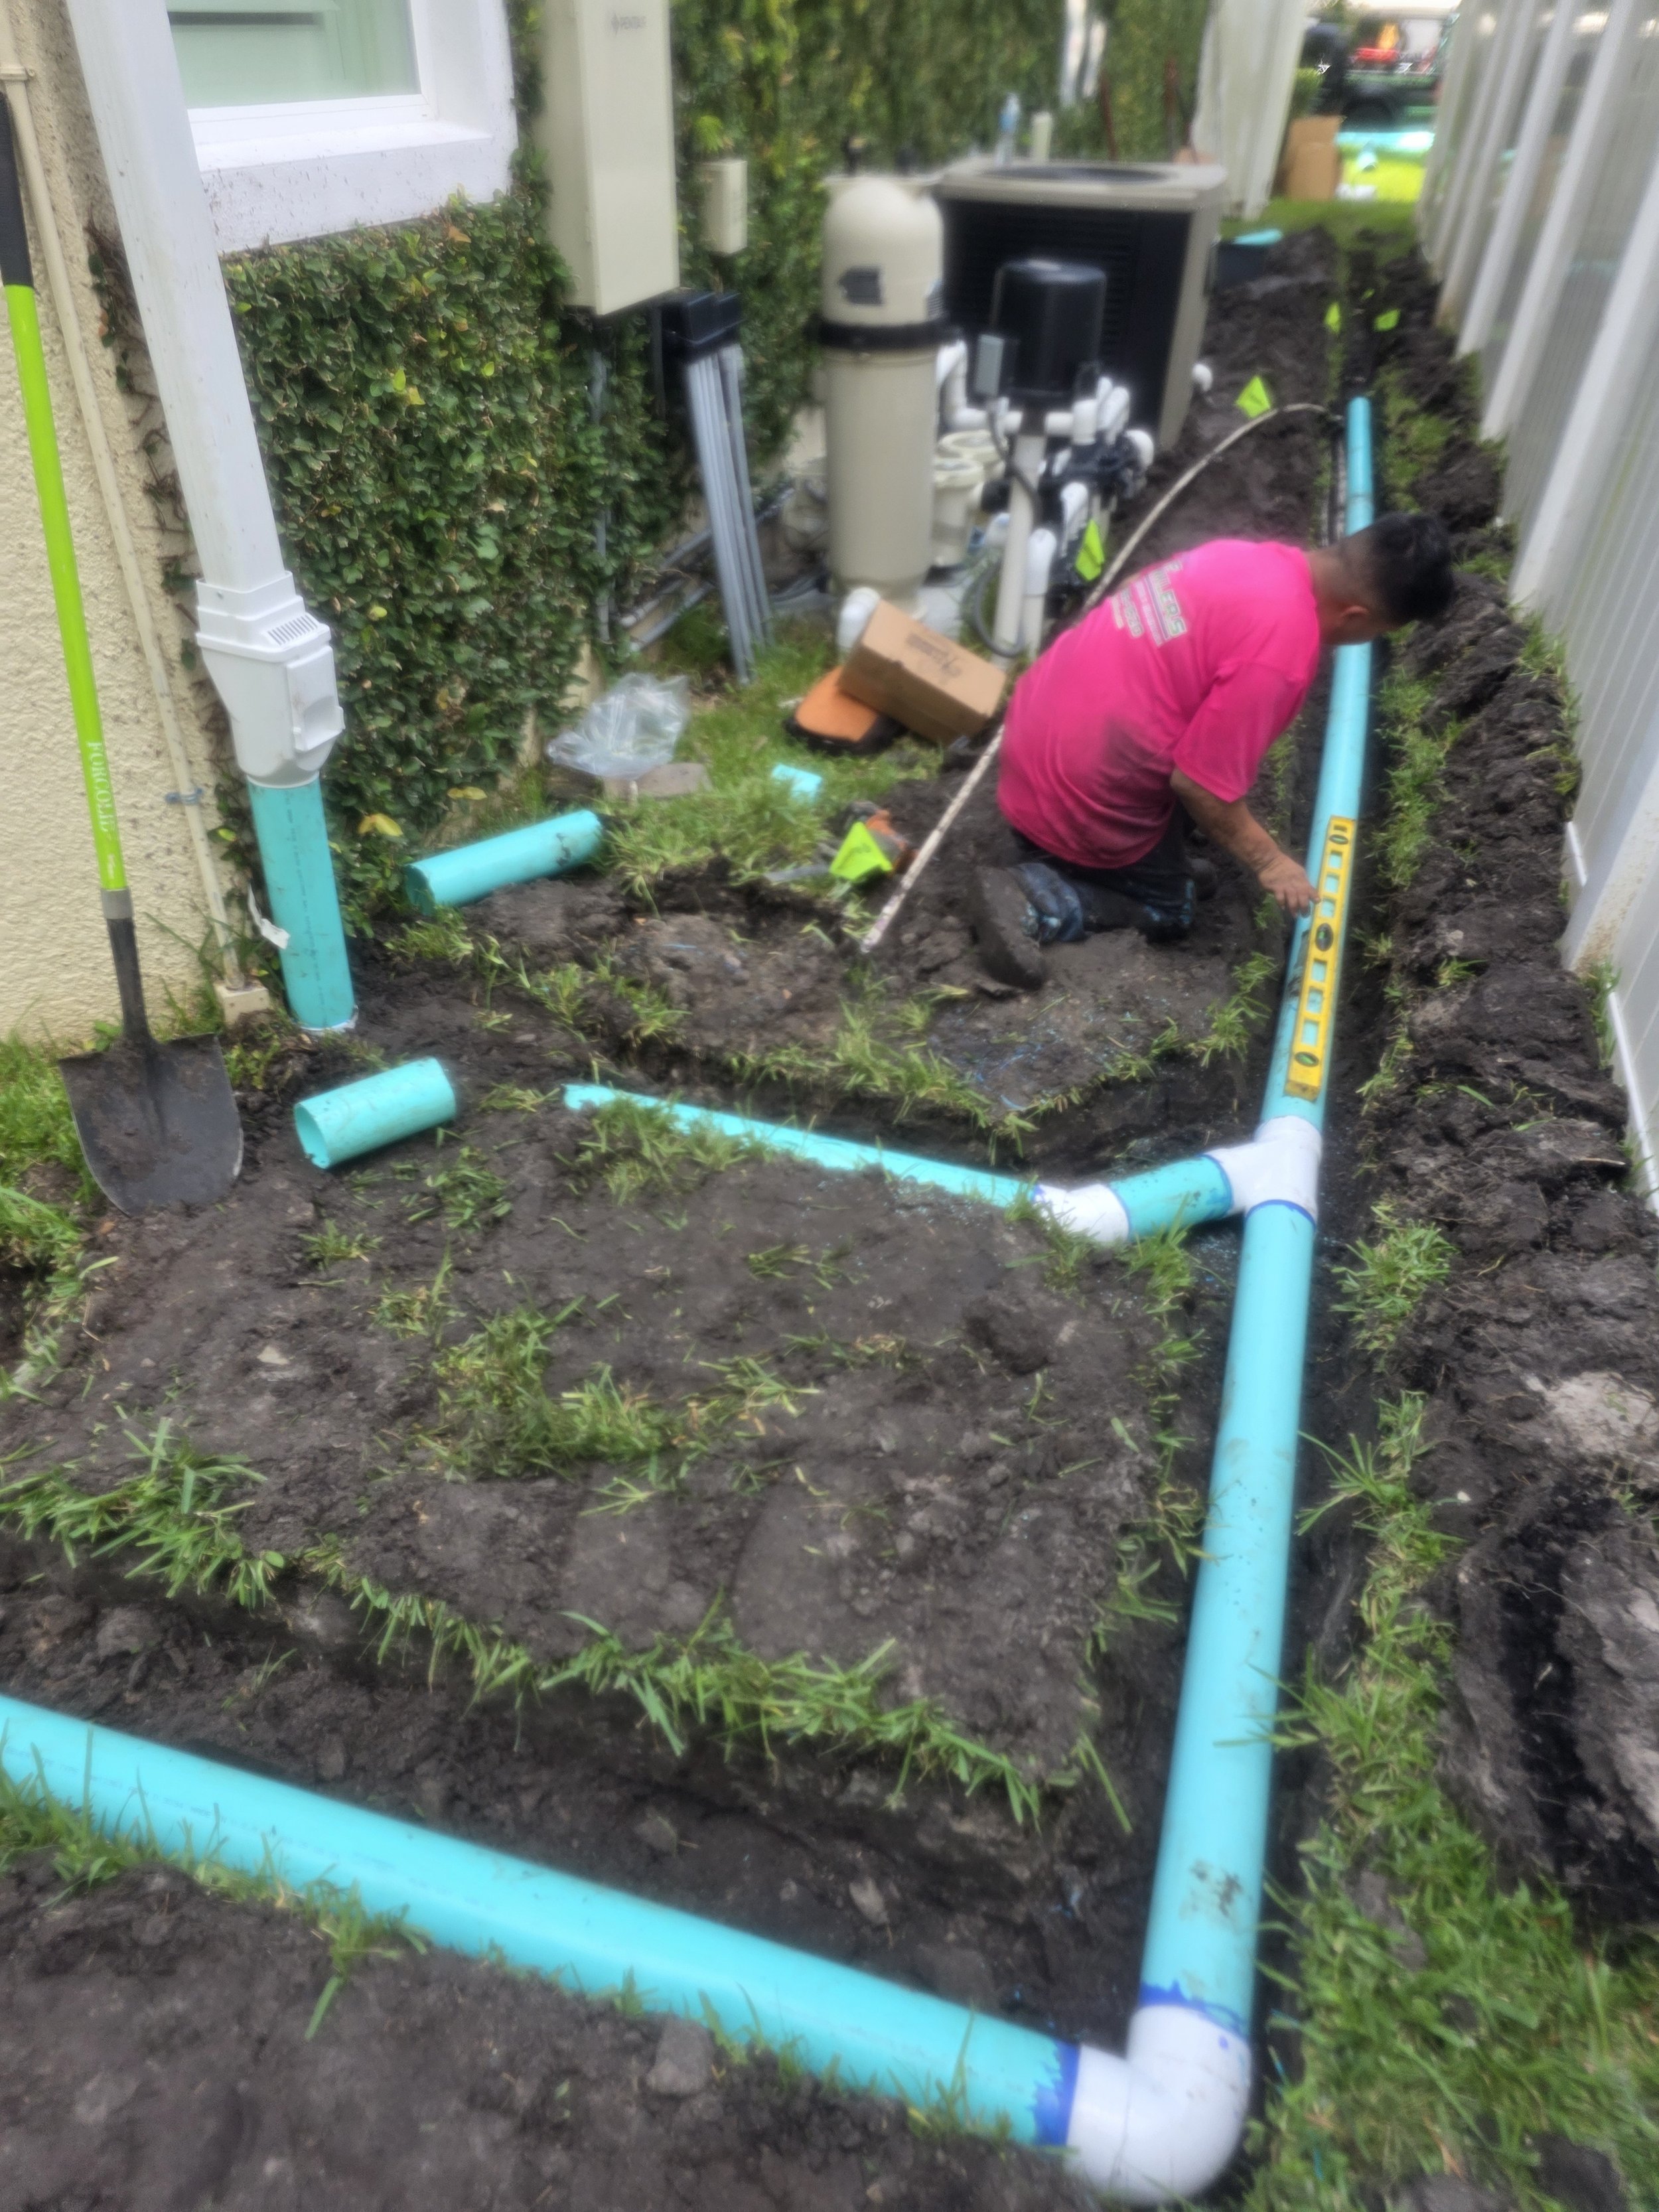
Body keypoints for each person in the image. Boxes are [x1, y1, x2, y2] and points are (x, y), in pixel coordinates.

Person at [968, 512, 1455, 989]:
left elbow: (1132, 586)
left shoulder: (1244, 557)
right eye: (1377, 635)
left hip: (1031, 732)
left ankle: (1122, 862)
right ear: (1358, 616)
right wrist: (1272, 862)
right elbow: (1199, 784)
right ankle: (1036, 896)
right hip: (1071, 792)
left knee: (1188, 854)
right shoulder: (1281, 650)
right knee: (1172, 907)